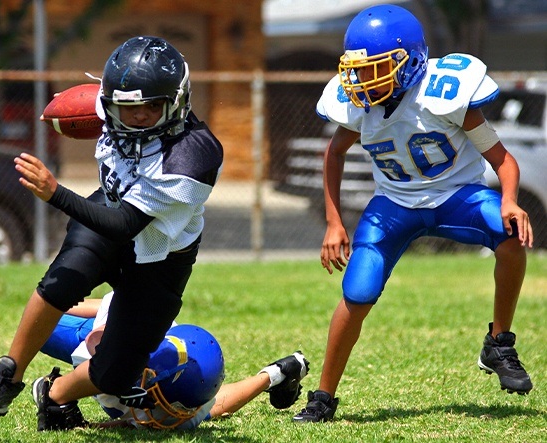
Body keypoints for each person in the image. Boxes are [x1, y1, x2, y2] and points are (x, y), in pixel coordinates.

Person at [0, 36, 225, 430]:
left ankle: (53, 394)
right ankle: (6, 374)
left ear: (177, 100)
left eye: (152, 106)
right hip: (108, 207)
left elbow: (126, 226)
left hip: (159, 251)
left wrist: (55, 193)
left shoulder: (193, 154)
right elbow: (78, 112)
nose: (138, 116)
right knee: (63, 278)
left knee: (115, 374)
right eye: (127, 107)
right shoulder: (108, 107)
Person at [292, 4, 534, 424]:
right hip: (395, 205)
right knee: (358, 292)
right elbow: (333, 155)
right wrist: (334, 221)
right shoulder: (359, 106)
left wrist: (510, 199)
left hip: (457, 195)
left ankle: (499, 342)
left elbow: (504, 161)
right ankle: (323, 398)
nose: (363, 80)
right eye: (358, 69)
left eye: (375, 68)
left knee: (510, 236)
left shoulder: (444, 95)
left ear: (410, 62)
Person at [37, 292, 310, 430]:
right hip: (103, 330)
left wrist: (272, 375)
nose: (167, 413)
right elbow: (100, 359)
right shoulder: (133, 336)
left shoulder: (193, 395)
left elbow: (214, 406)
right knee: (42, 324)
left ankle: (281, 372)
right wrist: (54, 305)